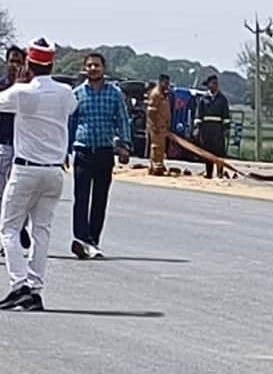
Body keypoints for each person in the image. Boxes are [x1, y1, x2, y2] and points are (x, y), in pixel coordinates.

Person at [0, 38, 78, 311]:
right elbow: (70, 109)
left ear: (29, 64)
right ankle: (35, 289)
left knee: (9, 228)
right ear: (52, 64)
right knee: (41, 231)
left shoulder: (22, 92)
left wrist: (18, 83)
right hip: (54, 171)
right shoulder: (66, 92)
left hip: (26, 168)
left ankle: (19, 284)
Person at [68, 52, 132, 259]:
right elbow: (70, 123)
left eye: (97, 65)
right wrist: (64, 150)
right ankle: (81, 239)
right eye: (89, 65)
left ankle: (93, 241)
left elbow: (122, 120)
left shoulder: (114, 94)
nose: (93, 69)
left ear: (104, 68)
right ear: (84, 69)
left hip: (104, 152)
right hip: (83, 151)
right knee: (81, 198)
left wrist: (125, 145)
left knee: (99, 199)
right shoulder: (77, 94)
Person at [0, 46, 31, 257]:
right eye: (12, 60)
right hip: (2, 144)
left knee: (21, 194)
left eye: (18, 61)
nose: (14, 65)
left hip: (24, 146)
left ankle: (20, 227)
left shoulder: (31, 88)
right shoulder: (1, 86)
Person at [194, 75, 231, 179]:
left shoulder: (222, 99)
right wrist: (197, 128)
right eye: (213, 83)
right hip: (206, 129)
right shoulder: (203, 99)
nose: (215, 86)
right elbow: (199, 115)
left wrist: (226, 129)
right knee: (207, 152)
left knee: (219, 152)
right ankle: (208, 173)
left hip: (218, 130)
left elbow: (226, 115)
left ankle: (220, 172)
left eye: (216, 83)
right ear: (209, 85)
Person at [146, 74, 172, 176]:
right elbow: (151, 111)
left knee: (161, 147)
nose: (167, 85)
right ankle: (156, 166)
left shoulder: (163, 94)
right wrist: (155, 124)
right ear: (160, 82)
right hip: (156, 126)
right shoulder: (156, 94)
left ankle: (158, 164)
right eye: (166, 83)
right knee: (156, 147)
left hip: (162, 126)